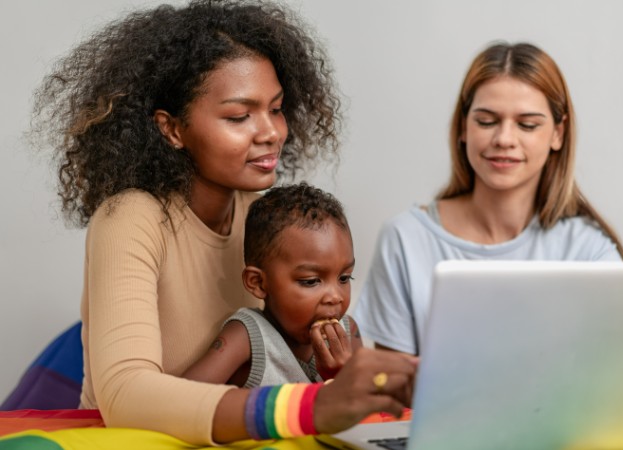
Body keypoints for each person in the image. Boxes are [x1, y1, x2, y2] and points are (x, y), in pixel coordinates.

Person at [32, 0, 416, 445]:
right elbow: (126, 395)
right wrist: (309, 407)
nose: (271, 132)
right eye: (239, 116)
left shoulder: (263, 217)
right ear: (172, 129)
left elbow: (284, 352)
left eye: (276, 109)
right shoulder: (132, 218)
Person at [353, 41, 623, 390]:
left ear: (558, 134)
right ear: (462, 127)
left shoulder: (589, 249)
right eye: (487, 121)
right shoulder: (405, 239)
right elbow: (392, 396)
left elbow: (621, 399)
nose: (504, 139)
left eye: (528, 125)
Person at [183, 183, 363, 386]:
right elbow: (181, 399)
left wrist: (341, 378)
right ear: (258, 283)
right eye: (311, 281)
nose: (335, 296)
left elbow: (375, 409)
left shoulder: (349, 332)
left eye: (345, 278)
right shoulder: (247, 337)